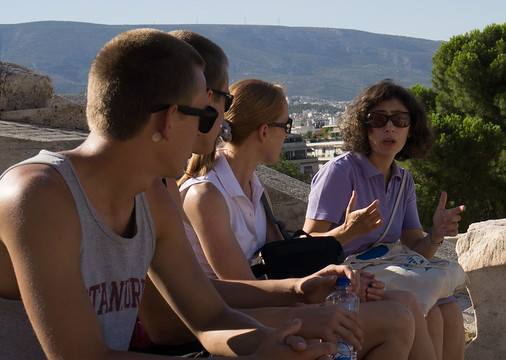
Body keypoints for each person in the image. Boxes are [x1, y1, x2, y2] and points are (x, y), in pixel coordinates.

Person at [0, 28, 338, 359]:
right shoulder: (38, 196)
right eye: (205, 115)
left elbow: (210, 317)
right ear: (169, 120)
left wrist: (270, 343)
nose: (215, 129)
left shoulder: (150, 197)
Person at [134, 31, 401, 359]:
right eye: (222, 101)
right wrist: (299, 309)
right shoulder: (191, 193)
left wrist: (306, 290)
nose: (221, 117)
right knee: (397, 319)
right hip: (199, 337)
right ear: (199, 100)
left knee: (403, 310)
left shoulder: (173, 187)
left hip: (224, 323)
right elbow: (177, 323)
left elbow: (210, 301)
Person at [172, 77, 434, 359]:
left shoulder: (253, 187)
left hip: (267, 304)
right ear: (263, 132)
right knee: (397, 320)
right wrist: (311, 303)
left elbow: (283, 260)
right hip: (235, 323)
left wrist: (337, 284)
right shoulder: (207, 196)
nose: (288, 134)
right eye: (286, 126)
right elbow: (245, 290)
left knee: (405, 302)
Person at [303, 79, 467, 360]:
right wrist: (346, 231)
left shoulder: (403, 180)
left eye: (400, 119)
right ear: (363, 127)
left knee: (448, 312)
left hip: (386, 273)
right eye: (378, 120)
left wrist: (435, 235)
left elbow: (416, 248)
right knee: (431, 317)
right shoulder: (340, 173)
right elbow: (306, 246)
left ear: (410, 128)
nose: (389, 128)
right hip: (348, 283)